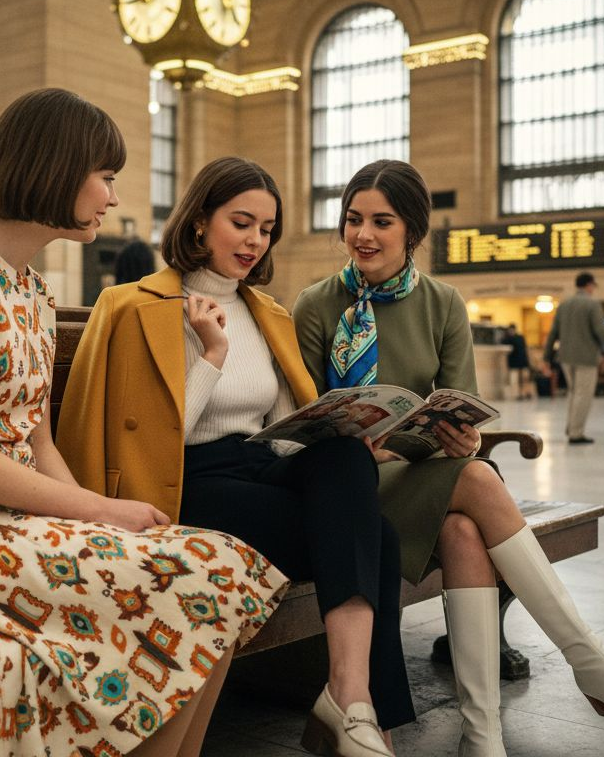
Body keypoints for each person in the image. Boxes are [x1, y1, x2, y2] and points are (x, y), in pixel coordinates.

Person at [0, 90, 287, 757]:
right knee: (205, 575)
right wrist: (98, 509)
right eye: (104, 176)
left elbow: (36, 438)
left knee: (224, 575)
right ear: (56, 168)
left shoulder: (31, 289)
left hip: (6, 523)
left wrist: (97, 522)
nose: (112, 196)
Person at [293, 159, 604, 757]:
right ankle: (589, 663)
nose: (362, 234)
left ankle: (484, 734)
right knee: (475, 482)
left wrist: (461, 439)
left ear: (412, 230)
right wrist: (360, 442)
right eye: (353, 219)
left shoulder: (443, 303)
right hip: (347, 491)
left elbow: (461, 408)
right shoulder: (316, 305)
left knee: (465, 526)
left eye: (381, 222)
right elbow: (301, 421)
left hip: (418, 476)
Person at [59, 156, 412, 757]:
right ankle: (359, 715)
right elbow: (157, 435)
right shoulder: (129, 304)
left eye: (266, 230)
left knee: (344, 458)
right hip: (183, 480)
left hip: (255, 465)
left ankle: (349, 694)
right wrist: (212, 354)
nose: (254, 241)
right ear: (200, 221)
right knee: (377, 539)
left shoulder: (267, 312)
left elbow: (281, 433)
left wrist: (349, 436)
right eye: (241, 223)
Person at [542, 272, 604, 444]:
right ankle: (576, 433)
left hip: (565, 357)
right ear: (589, 285)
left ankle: (571, 427)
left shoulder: (564, 304)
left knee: (573, 393)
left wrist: (546, 357)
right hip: (587, 357)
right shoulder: (592, 304)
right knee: (583, 395)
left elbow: (553, 333)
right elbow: (601, 332)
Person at [503, 324, 534, 400]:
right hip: (514, 361)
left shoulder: (519, 337)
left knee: (525, 378)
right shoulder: (507, 338)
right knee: (516, 379)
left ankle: (526, 393)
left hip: (522, 360)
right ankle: (518, 394)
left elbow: (525, 348)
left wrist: (529, 359)